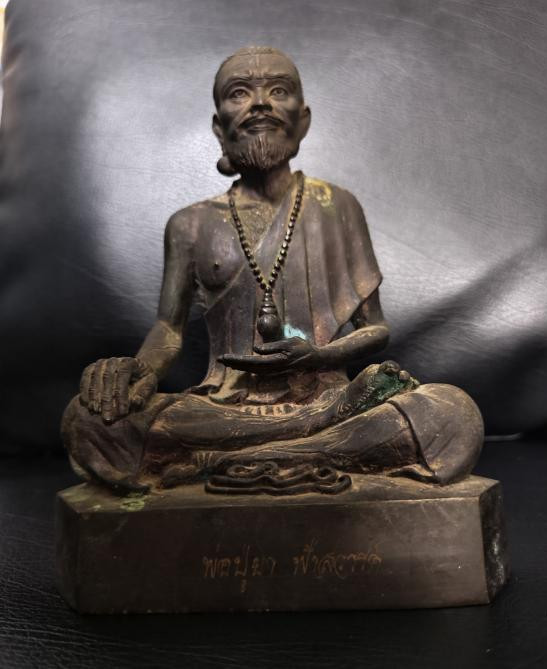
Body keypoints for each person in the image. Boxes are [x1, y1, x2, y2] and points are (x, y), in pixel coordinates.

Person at [62, 46, 483, 494]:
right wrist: (140, 369)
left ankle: (228, 460)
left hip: (328, 396)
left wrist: (320, 357)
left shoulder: (337, 206)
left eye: (278, 91)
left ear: (302, 120)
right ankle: (311, 446)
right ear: (218, 126)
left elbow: (375, 328)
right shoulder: (189, 225)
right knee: (87, 420)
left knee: (452, 412)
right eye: (239, 93)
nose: (260, 103)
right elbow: (168, 329)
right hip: (224, 408)